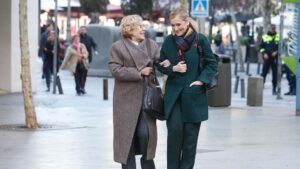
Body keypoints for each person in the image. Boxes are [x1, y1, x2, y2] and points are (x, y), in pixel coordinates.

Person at [157, 7, 217, 169]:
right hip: (174, 96)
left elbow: (212, 64)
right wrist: (173, 69)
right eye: (173, 25)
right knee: (174, 133)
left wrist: (201, 81)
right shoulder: (169, 41)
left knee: (190, 141)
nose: (176, 29)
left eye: (179, 25)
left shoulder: (200, 40)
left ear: (187, 21)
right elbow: (160, 64)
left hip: (194, 95)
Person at [108, 15, 159, 169]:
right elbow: (115, 69)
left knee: (146, 135)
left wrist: (170, 65)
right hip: (125, 100)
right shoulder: (118, 47)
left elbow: (160, 63)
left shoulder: (151, 45)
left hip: (146, 99)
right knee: (127, 140)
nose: (144, 29)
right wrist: (139, 72)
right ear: (129, 29)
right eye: (140, 26)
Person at [260, 24, 280, 95]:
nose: (273, 30)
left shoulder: (278, 37)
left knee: (275, 75)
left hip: (275, 58)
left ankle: (274, 89)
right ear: (269, 29)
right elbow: (261, 47)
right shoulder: (265, 37)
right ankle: (260, 87)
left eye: (274, 28)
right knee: (264, 73)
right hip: (267, 58)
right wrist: (264, 54)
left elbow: (281, 47)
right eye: (272, 29)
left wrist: (277, 52)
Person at [79, 26, 98, 94]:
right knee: (79, 73)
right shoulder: (78, 38)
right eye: (81, 29)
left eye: (84, 30)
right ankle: (80, 86)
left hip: (87, 58)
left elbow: (94, 45)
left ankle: (82, 87)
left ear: (86, 31)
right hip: (79, 58)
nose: (82, 31)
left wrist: (95, 50)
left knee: (84, 73)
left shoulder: (89, 38)